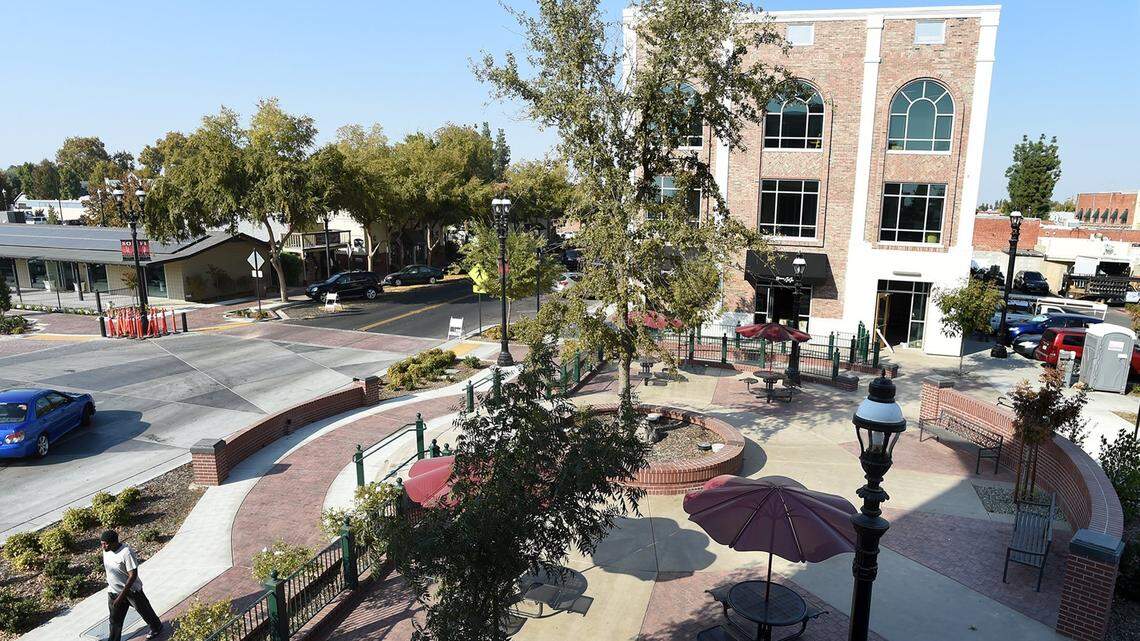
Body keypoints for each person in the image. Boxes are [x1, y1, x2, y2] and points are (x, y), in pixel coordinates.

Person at [100, 530, 164, 640]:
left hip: (132, 592)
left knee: (145, 612)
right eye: (102, 543)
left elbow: (133, 575)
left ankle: (156, 627)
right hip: (113, 592)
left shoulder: (126, 553)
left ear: (115, 542)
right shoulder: (106, 550)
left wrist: (121, 596)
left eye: (106, 543)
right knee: (114, 620)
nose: (103, 546)